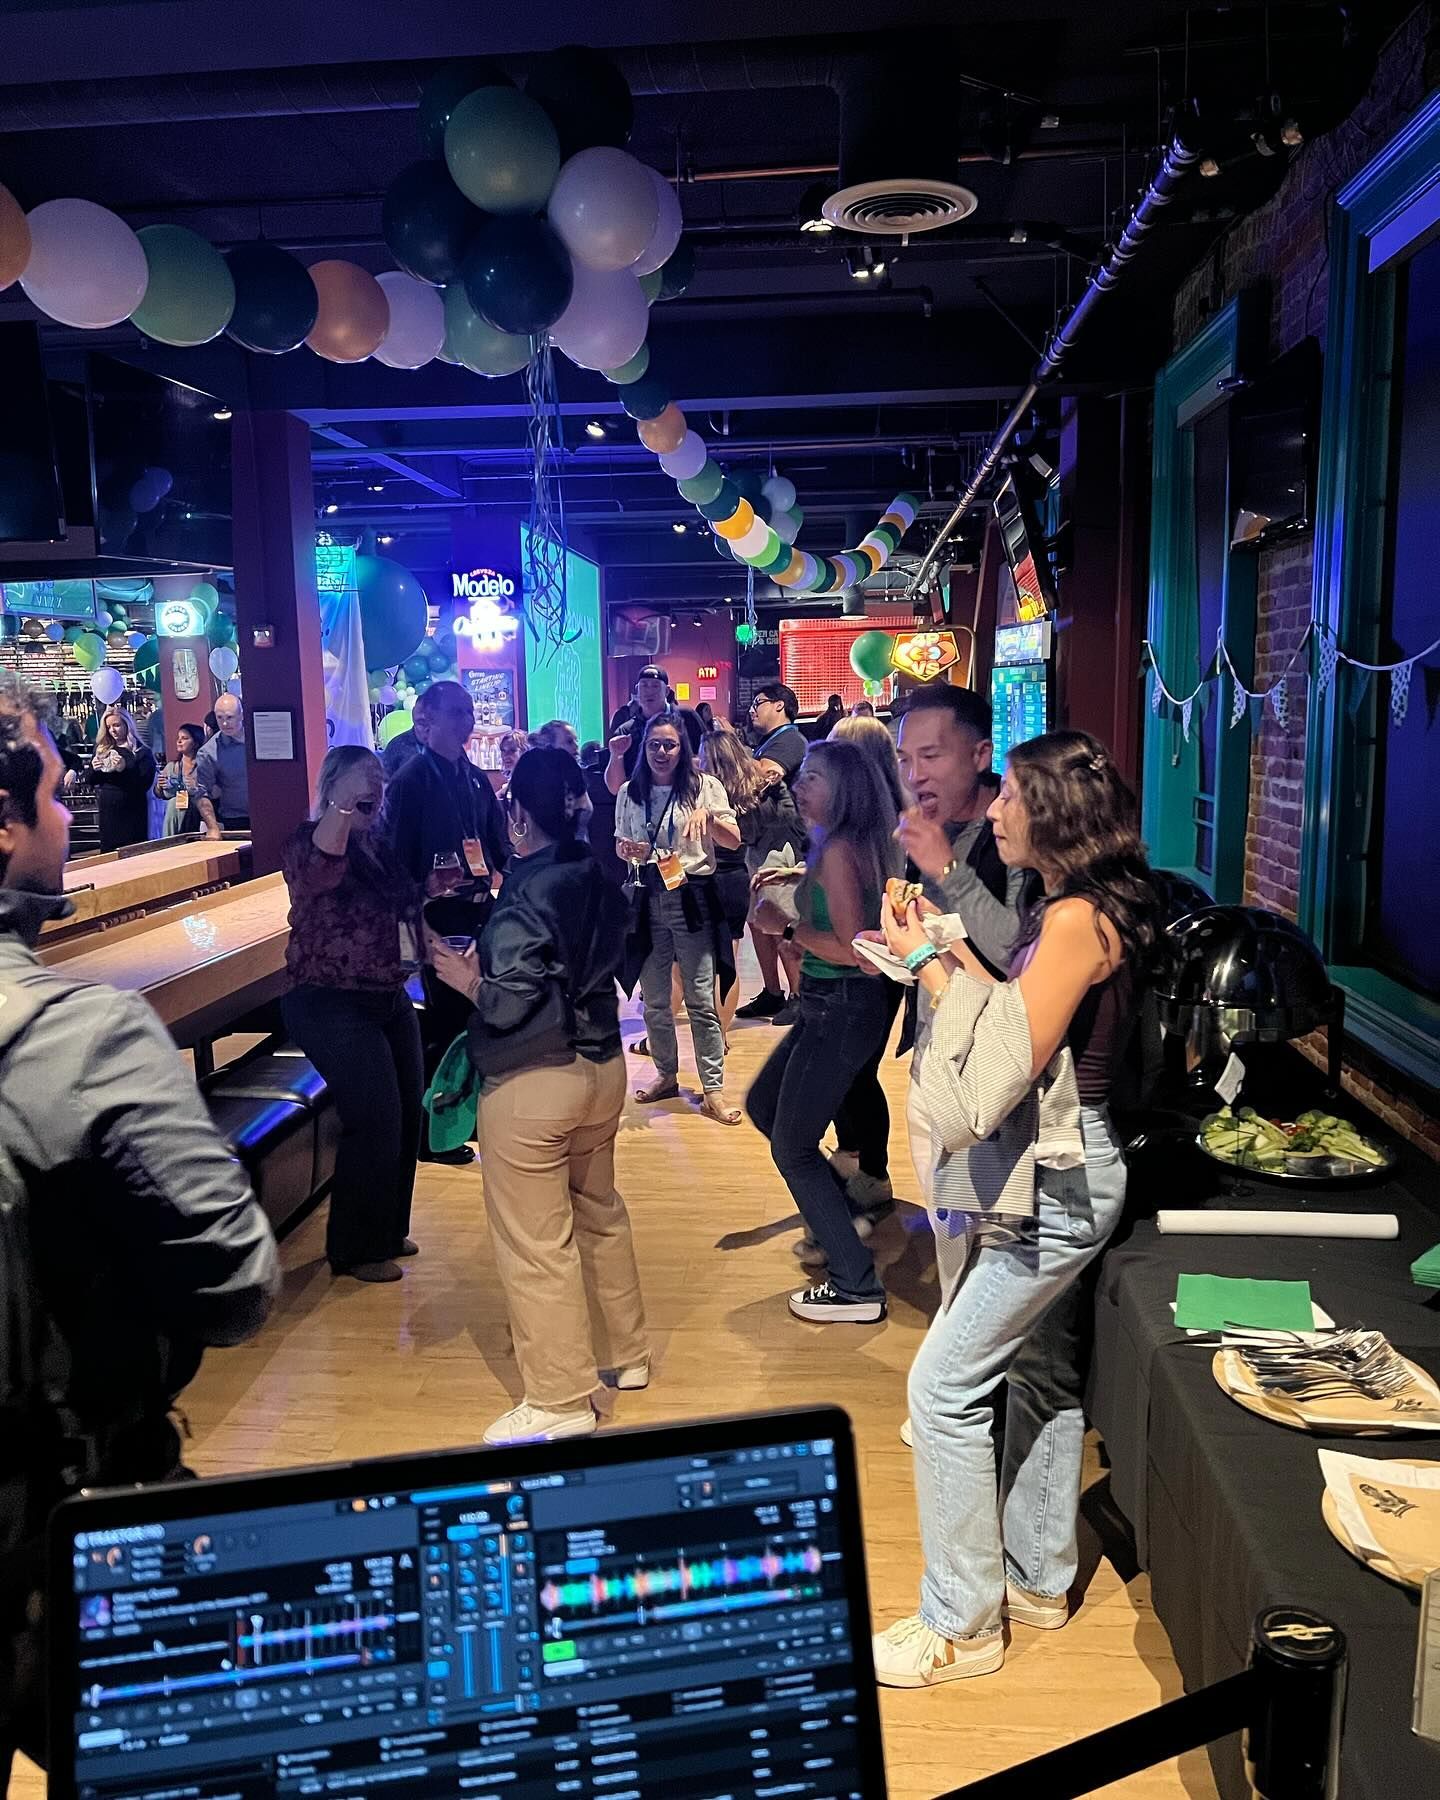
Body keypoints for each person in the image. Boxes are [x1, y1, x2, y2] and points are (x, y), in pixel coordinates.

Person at [0, 675, 277, 1782]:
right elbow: (236, 1279)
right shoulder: (82, 1036)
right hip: (50, 1525)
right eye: (59, 797)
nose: (74, 820)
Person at [870, 731, 1162, 1689]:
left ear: (1050, 813)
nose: (991, 811)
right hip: (1075, 1172)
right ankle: (1038, 1579)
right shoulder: (1079, 905)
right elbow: (1018, 1017)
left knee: (940, 1391)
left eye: (1009, 799)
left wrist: (925, 964)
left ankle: (963, 1623)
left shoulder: (1075, 917)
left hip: (1065, 1185)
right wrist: (939, 953)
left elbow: (999, 1069)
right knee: (1039, 1373)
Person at [428, 748, 648, 1447]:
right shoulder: (596, 872)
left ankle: (557, 1400)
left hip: (534, 1080)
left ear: (517, 811)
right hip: (602, 1067)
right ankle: (627, 1355)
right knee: (600, 1213)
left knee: (535, 1245)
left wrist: (462, 977)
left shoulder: (527, 892)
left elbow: (507, 1002)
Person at [745, 738, 901, 1324]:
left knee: (793, 1146)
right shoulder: (840, 843)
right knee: (764, 1103)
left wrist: (787, 927)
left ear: (844, 790)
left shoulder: (837, 850)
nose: (798, 784)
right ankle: (842, 1217)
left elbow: (858, 950)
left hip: (840, 1001)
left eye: (812, 777)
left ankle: (855, 1285)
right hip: (829, 1005)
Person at [280, 746, 424, 1284]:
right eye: (365, 782)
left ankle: (385, 1231)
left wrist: (437, 886)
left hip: (385, 994)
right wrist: (342, 809)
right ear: (334, 786)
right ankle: (354, 1250)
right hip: (326, 998)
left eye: (379, 783)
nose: (376, 791)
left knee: (408, 1111)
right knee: (374, 1115)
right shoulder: (304, 842)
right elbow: (322, 872)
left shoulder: (377, 846)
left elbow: (400, 900)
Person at [379, 680, 508, 1163]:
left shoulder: (475, 779)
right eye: (456, 713)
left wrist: (499, 872)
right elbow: (392, 864)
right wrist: (424, 888)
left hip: (477, 912)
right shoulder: (411, 782)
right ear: (426, 720)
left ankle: (463, 1116)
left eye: (469, 712)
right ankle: (434, 1133)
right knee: (441, 1026)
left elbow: (496, 846)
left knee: (473, 1017)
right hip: (432, 919)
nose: (466, 722)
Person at [615, 709, 743, 1125]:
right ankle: (666, 1075)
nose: (662, 752)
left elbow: (734, 840)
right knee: (654, 1000)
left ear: (683, 748)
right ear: (644, 748)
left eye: (670, 744)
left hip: (692, 896)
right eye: (654, 745)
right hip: (647, 897)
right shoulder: (630, 792)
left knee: (700, 999)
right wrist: (627, 851)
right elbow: (622, 842)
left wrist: (711, 821)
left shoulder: (705, 788)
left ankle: (713, 1090)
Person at [735, 682, 809, 1022]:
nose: (753, 709)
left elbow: (763, 777)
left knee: (781, 917)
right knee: (758, 921)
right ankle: (772, 992)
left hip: (782, 843)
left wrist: (731, 755)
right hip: (759, 841)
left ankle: (798, 995)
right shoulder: (766, 742)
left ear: (780, 706)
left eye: (759, 703)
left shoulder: (790, 740)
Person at [698, 721, 765, 1047]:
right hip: (736, 878)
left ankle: (708, 1036)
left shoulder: (702, 792)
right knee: (729, 961)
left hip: (706, 878)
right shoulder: (751, 790)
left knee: (695, 963)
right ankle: (720, 1035)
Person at [81, 705, 157, 851]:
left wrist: (124, 768)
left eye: (116, 725)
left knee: (133, 853)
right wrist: (94, 769)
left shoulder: (142, 752)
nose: (112, 730)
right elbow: (89, 780)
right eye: (109, 727)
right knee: (110, 855)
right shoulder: (103, 750)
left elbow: (143, 784)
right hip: (109, 812)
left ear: (127, 725)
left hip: (133, 811)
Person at [605, 665, 672, 794]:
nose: (649, 691)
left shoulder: (685, 718)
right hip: (638, 804)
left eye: (655, 686)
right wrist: (616, 755)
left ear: (667, 691)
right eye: (644, 685)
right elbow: (615, 789)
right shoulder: (626, 731)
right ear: (637, 690)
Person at [194, 693, 249, 837]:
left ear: (241, 715)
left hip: (268, 814)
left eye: (229, 717)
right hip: (236, 820)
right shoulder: (208, 752)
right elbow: (201, 793)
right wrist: (212, 827)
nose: (224, 723)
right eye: (220, 718)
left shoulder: (259, 738)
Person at [156, 720, 205, 836]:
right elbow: (159, 794)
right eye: (178, 738)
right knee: (173, 803)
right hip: (174, 814)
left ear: (196, 743)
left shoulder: (203, 766)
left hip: (196, 812)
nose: (179, 741)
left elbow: (214, 791)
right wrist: (159, 786)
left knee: (175, 804)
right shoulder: (171, 767)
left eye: (184, 738)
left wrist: (196, 787)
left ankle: (169, 840)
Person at [380, 708, 429, 780]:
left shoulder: (446, 742)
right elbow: (385, 780)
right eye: (421, 722)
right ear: (414, 719)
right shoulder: (397, 745)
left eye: (432, 721)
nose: (427, 728)